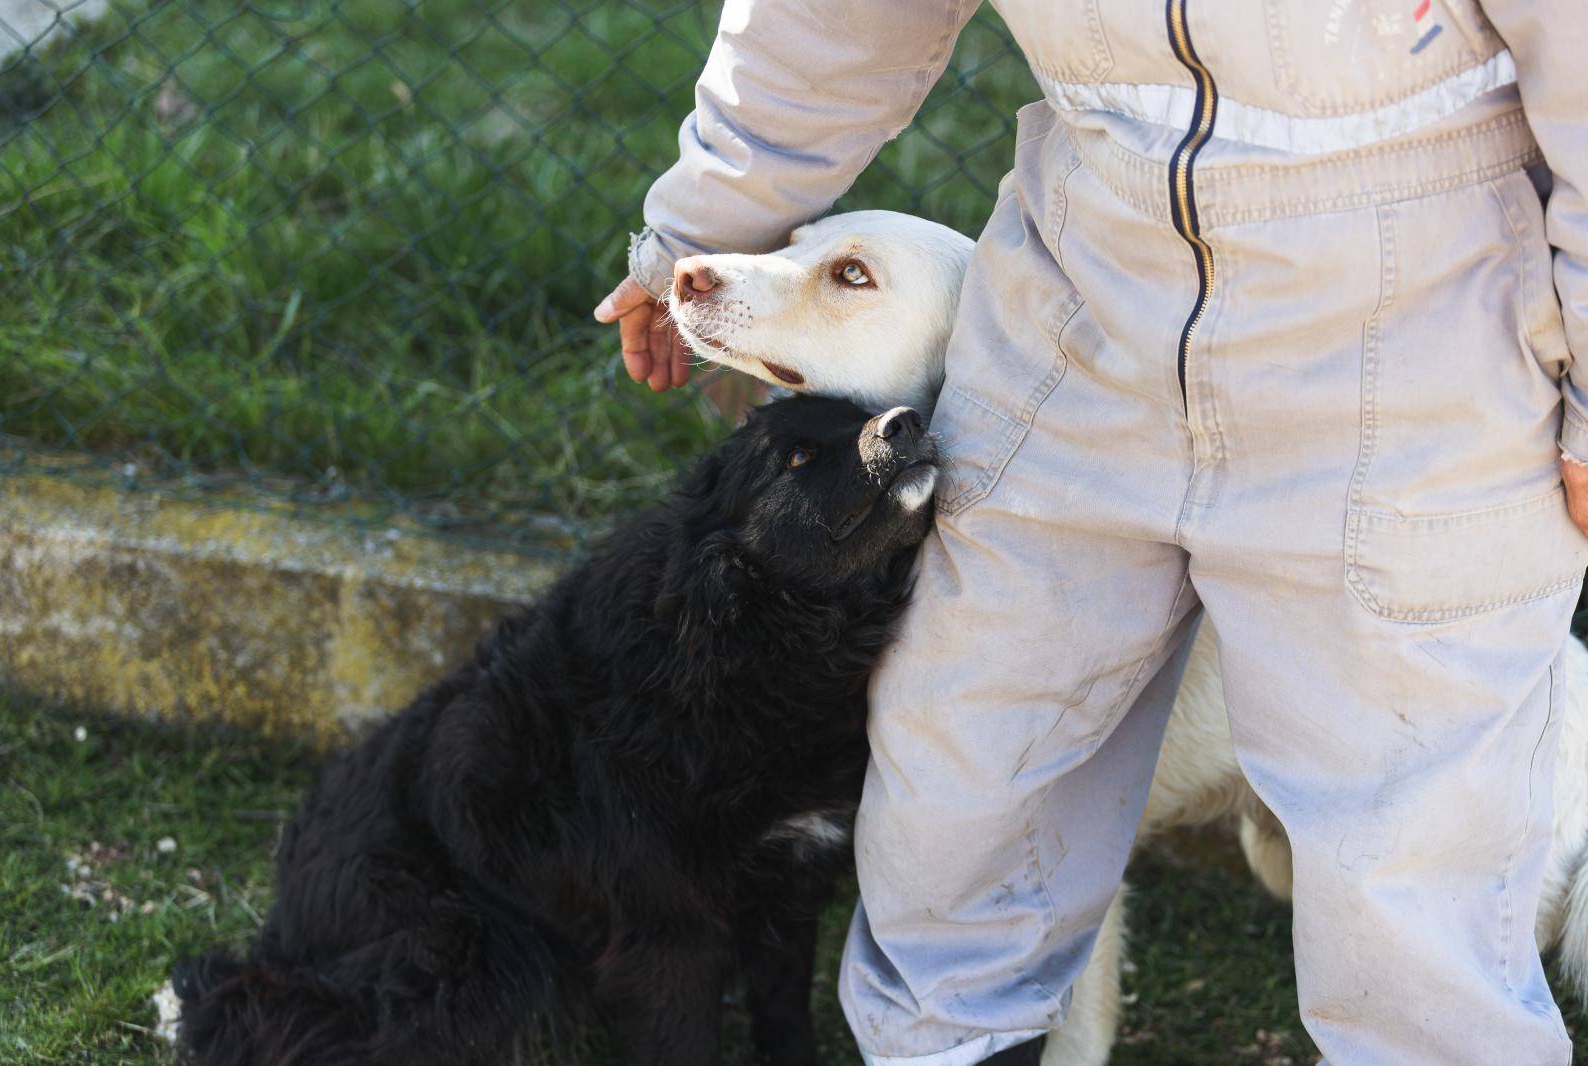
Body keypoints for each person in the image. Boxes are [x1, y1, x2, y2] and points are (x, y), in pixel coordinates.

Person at [595, 3, 1588, 1064]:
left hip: (1419, 307)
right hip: (1084, 277)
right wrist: (707, 219)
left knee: (1411, 868)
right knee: (963, 789)